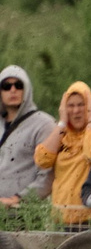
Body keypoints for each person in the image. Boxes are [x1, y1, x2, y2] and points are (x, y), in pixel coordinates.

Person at [32, 82, 91, 226]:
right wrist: (62, 123)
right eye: (70, 106)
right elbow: (42, 160)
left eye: (81, 105)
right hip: (62, 219)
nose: (76, 111)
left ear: (90, 105)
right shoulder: (62, 134)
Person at [0, 66, 57, 209]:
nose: (13, 90)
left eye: (18, 85)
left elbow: (47, 176)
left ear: (26, 89)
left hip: (25, 214)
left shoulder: (44, 124)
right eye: (6, 86)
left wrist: (18, 199)